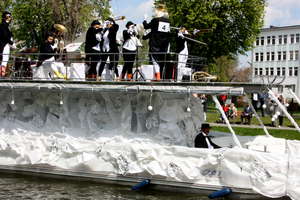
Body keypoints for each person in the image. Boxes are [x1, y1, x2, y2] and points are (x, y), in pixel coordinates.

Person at [143, 4, 171, 81]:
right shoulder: (168, 21)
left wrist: (144, 19)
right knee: (161, 62)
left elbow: (146, 26)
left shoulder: (155, 20)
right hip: (164, 44)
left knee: (155, 61)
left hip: (155, 44)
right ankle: (160, 77)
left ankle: (158, 77)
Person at [0, 11, 15, 77]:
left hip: (6, 45)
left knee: (5, 60)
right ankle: (2, 74)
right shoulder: (3, 25)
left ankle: (2, 74)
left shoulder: (6, 26)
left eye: (10, 16)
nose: (10, 18)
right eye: (8, 16)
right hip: (4, 45)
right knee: (4, 59)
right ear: (4, 17)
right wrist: (12, 43)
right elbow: (5, 36)